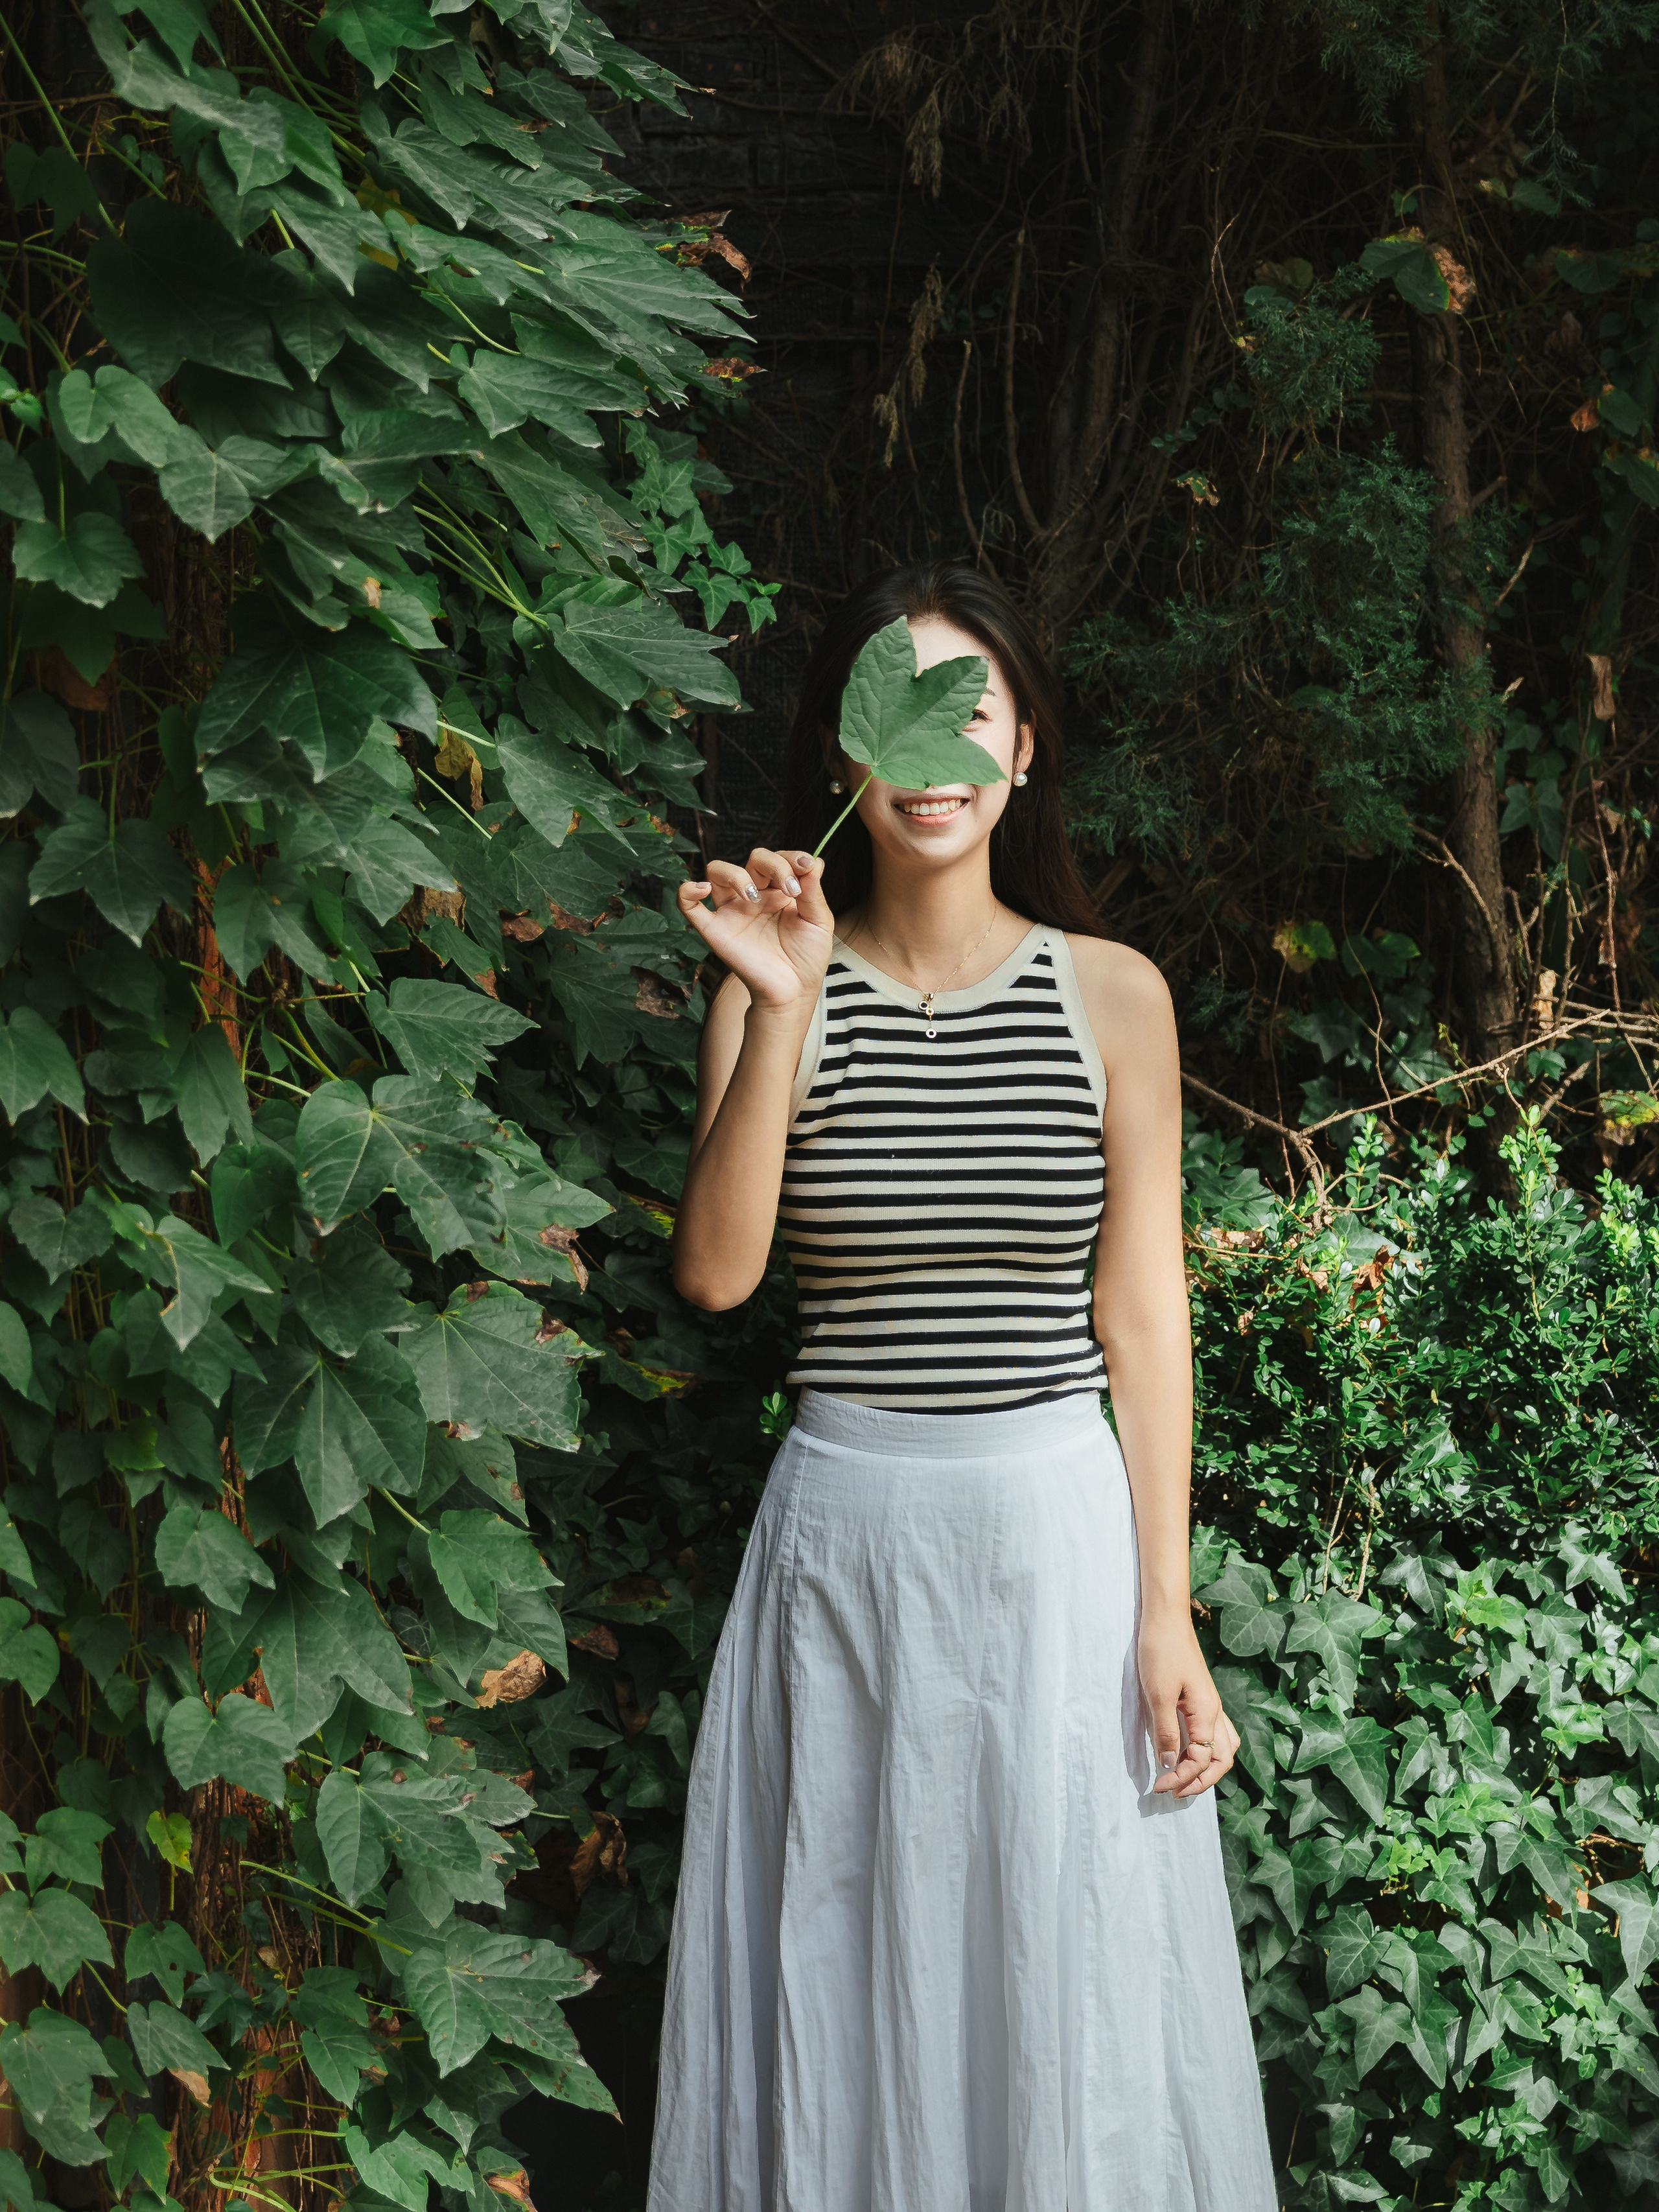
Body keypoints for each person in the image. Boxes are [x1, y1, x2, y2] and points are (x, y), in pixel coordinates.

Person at [647, 563, 1276, 2211]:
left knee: (1060, 1991)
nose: (932, 748)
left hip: (1053, 1548)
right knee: (845, 1988)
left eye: (969, 705)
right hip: (842, 1550)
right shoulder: (764, 979)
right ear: (844, 753)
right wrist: (778, 1002)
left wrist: (1165, 1613)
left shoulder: (1109, 993)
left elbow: (1142, 1316)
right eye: (890, 709)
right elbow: (715, 1275)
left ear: (1023, 749)